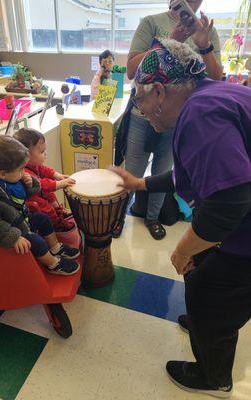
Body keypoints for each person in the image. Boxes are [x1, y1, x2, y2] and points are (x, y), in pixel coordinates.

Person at [111, 38, 251, 398]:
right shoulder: (211, 93)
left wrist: (183, 249)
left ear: (159, 91)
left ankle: (213, 377)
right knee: (203, 276)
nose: (141, 111)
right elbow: (189, 173)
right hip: (238, 222)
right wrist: (139, 182)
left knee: (210, 289)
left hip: (244, 232)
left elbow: (228, 201)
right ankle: (206, 319)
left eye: (139, 101)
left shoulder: (199, 115)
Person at [114, 0, 223, 240]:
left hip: (179, 117)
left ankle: (152, 218)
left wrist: (204, 46)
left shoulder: (206, 29)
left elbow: (215, 80)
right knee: (133, 171)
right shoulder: (151, 22)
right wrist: (166, 43)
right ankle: (117, 218)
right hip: (145, 111)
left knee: (164, 168)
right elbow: (132, 70)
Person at [0, 135, 80, 276]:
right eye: (21, 170)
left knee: (43, 219)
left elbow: (25, 193)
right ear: (3, 174)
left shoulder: (6, 177)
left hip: (19, 218)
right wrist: (14, 237)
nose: (24, 172)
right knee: (36, 241)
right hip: (10, 230)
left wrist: (30, 182)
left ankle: (55, 247)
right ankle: (53, 263)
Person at [14, 128, 76, 233]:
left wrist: (56, 175)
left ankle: (59, 212)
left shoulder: (33, 164)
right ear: (26, 155)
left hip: (38, 193)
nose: (45, 154)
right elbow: (40, 184)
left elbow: (44, 170)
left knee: (50, 195)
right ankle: (56, 224)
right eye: (42, 152)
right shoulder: (23, 171)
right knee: (46, 207)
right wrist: (59, 184)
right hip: (31, 199)